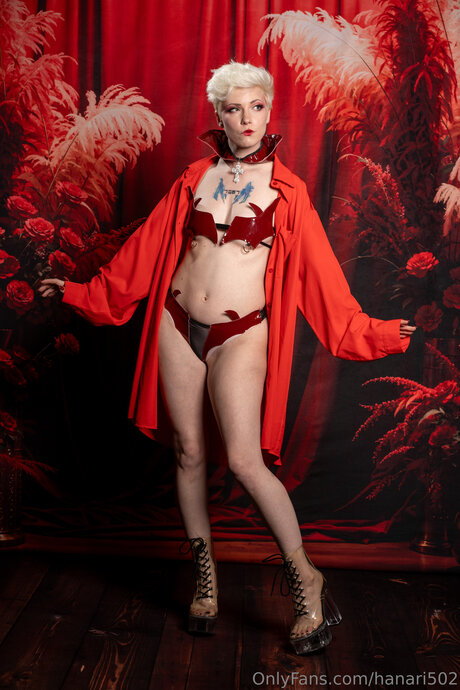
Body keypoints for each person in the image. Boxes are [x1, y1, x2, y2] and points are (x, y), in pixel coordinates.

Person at [40, 61, 416, 655]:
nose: (246, 120)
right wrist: (80, 292)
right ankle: (205, 581)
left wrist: (376, 332)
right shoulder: (194, 178)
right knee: (188, 453)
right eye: (234, 109)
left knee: (243, 460)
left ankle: (307, 582)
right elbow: (145, 250)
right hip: (175, 321)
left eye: (256, 107)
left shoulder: (288, 192)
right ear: (218, 113)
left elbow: (321, 280)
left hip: (241, 332)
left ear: (269, 111)